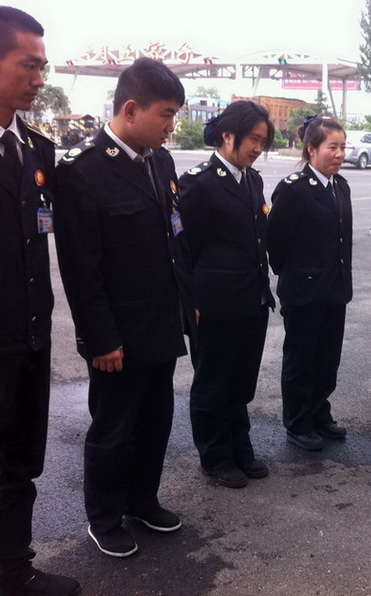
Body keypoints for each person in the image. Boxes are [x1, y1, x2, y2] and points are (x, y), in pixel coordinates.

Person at [54, 57, 187, 557]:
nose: (172, 126)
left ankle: (142, 499)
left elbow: (176, 241)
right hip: (118, 333)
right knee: (114, 427)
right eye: (166, 114)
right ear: (131, 109)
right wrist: (99, 337)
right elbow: (80, 269)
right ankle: (105, 517)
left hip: (160, 322)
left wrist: (187, 304)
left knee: (155, 419)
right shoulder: (83, 173)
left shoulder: (162, 162)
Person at [0, 7, 81, 595]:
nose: (38, 79)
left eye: (43, 67)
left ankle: (13, 569)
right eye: (28, 66)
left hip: (27, 336)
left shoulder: (35, 149)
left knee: (19, 463)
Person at [178, 101, 275, 486]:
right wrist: (192, 302)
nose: (258, 148)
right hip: (214, 304)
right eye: (253, 139)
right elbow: (185, 250)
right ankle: (215, 456)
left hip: (251, 299)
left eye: (263, 141)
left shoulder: (252, 180)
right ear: (228, 135)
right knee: (214, 382)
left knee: (240, 380)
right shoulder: (198, 183)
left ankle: (241, 447)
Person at [268, 117, 352, 451]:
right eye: (333, 147)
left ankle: (320, 413)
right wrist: (294, 275)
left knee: (327, 358)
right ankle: (298, 422)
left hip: (334, 289)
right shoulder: (293, 188)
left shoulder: (340, 186)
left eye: (343, 147)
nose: (339, 154)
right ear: (312, 148)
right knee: (301, 360)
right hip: (303, 292)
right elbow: (275, 242)